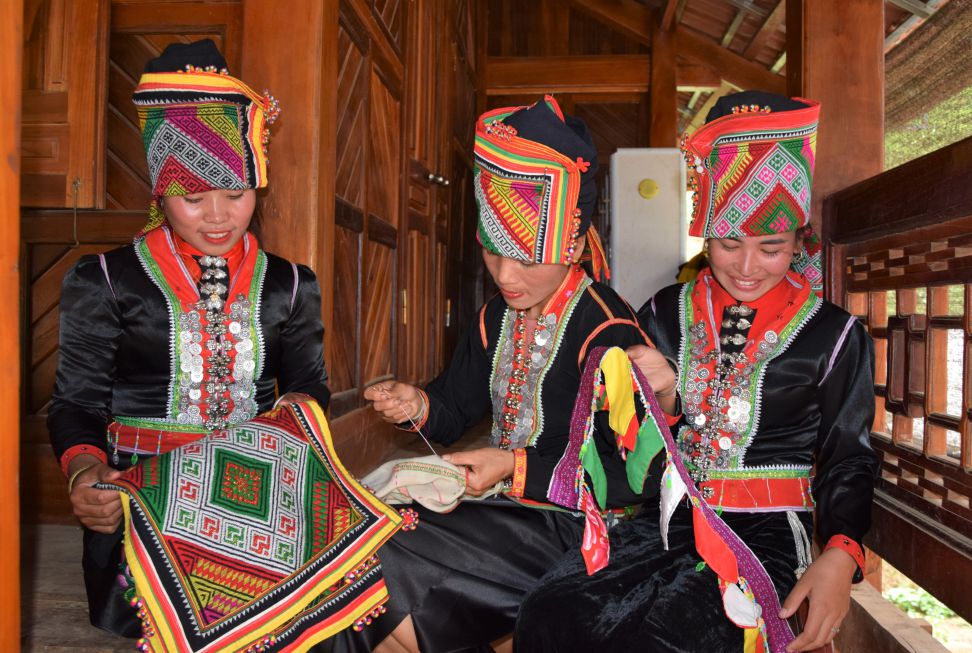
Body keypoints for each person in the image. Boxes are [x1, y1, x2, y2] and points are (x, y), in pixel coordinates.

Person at [515, 91, 880, 653]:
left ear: (797, 240)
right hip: (668, 516)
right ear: (704, 232)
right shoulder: (663, 311)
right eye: (728, 243)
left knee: (666, 639)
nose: (748, 267)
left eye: (773, 248)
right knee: (551, 614)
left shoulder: (834, 335)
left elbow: (848, 457)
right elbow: (624, 442)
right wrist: (661, 395)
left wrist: (840, 553)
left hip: (767, 533)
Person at [326, 96, 673, 653]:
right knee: (353, 540)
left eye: (526, 259)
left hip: (574, 527)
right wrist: (417, 403)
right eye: (493, 252)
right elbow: (455, 407)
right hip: (508, 506)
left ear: (577, 244)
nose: (506, 276)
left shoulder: (604, 331)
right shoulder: (495, 316)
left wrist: (512, 467)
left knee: (379, 558)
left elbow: (634, 476)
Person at [48, 40, 331, 637]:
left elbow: (308, 386)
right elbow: (76, 401)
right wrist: (84, 472)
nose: (219, 218)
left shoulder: (290, 283)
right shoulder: (104, 280)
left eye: (237, 194)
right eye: (193, 198)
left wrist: (289, 424)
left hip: (258, 498)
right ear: (159, 190)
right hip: (140, 498)